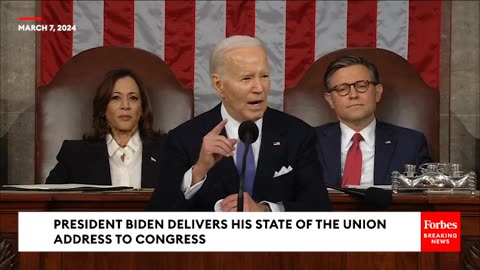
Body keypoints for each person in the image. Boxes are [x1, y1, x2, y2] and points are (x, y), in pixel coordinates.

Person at [147, 35, 330, 212]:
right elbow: (158, 218)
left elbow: (319, 210)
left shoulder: (298, 134)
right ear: (219, 85)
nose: (259, 88)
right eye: (247, 78)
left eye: (264, 76)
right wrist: (199, 171)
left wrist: (266, 211)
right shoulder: (184, 138)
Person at [315, 55, 431, 187]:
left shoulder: (411, 144)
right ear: (330, 100)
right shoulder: (309, 142)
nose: (353, 95)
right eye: (342, 89)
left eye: (361, 86)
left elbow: (424, 196)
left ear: (377, 92)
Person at [46, 69, 166, 188]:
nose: (125, 106)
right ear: (103, 108)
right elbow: (45, 200)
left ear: (142, 109)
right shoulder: (75, 155)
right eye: (116, 98)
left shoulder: (168, 150)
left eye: (133, 98)